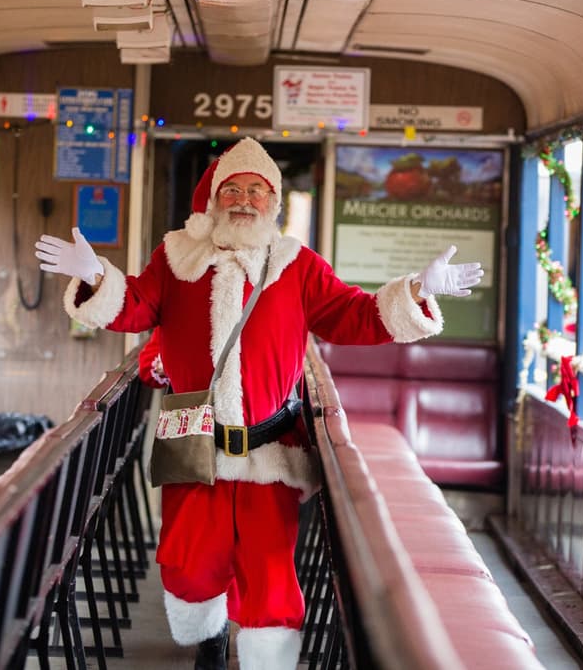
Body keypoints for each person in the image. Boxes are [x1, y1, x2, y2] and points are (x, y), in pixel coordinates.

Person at [35, 138, 482, 670]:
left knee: (268, 576)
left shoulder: (298, 265)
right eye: (233, 189)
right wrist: (95, 278)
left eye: (257, 190)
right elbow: (133, 307)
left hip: (271, 449)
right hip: (193, 441)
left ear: (273, 202)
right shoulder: (176, 258)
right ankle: (209, 635)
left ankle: (263, 660)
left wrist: (417, 290)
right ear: (213, 198)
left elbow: (355, 315)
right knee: (187, 567)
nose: (244, 199)